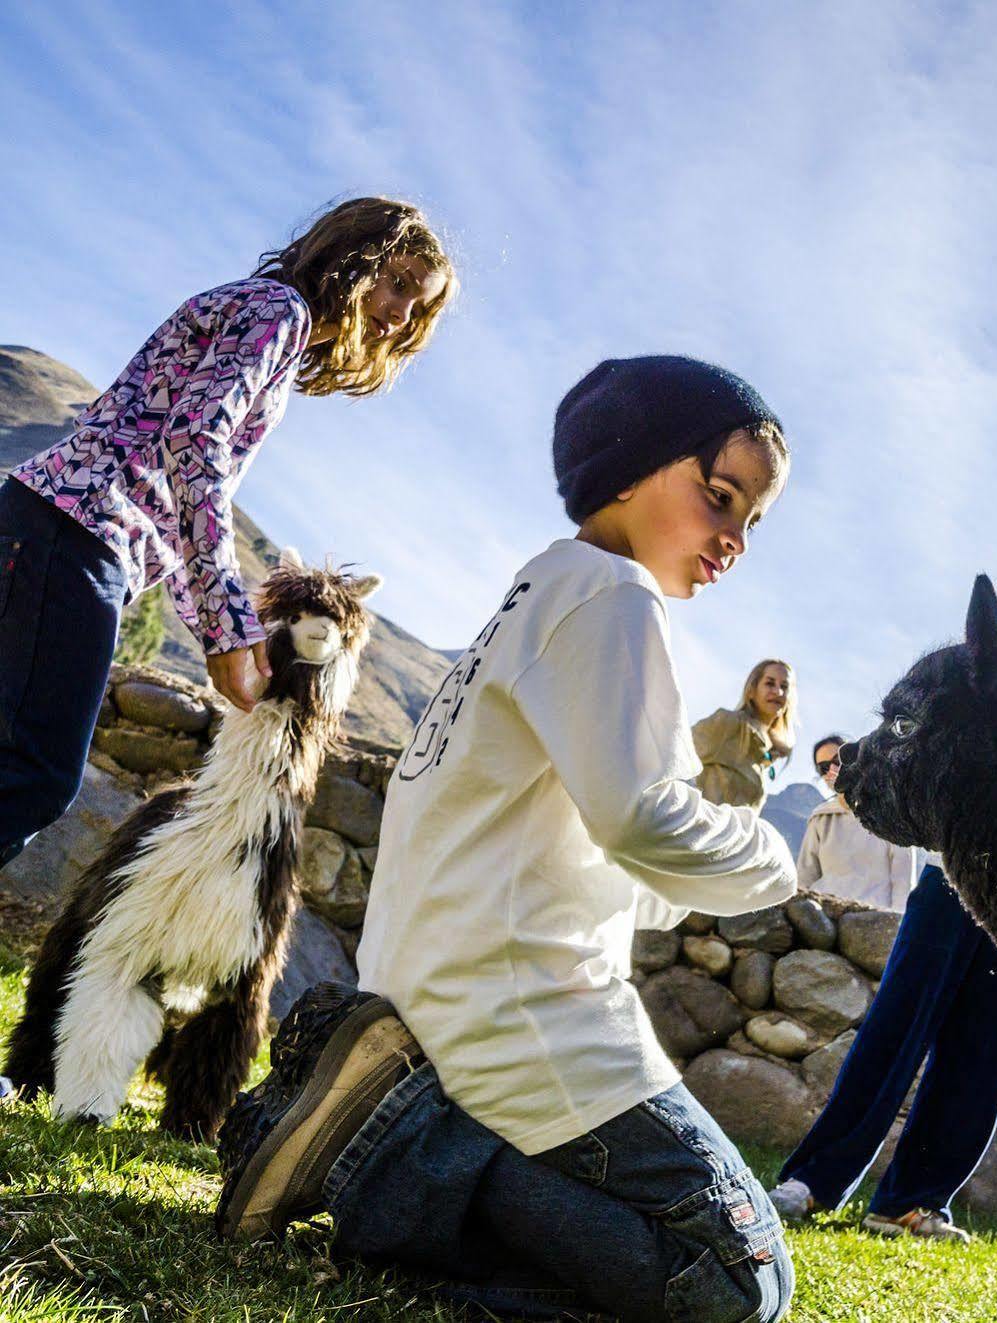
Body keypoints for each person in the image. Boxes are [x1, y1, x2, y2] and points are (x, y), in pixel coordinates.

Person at [214, 356, 800, 1322]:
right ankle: (391, 1148)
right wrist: (772, 859)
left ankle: (392, 1183)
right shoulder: (614, 599)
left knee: (652, 1258)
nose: (734, 536)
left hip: (433, 1005)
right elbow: (641, 820)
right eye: (720, 495)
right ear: (630, 466)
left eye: (752, 520)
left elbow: (617, 856)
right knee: (740, 1282)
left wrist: (674, 868)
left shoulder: (531, 603)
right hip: (523, 1019)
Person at [0, 196, 455, 868]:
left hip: (54, 527)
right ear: (354, 259)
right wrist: (223, 627)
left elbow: (172, 499)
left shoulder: (266, 313)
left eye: (418, 309)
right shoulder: (281, 313)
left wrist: (231, 633)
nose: (399, 316)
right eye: (398, 286)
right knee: (34, 777)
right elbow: (194, 444)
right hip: (74, 535)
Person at [769, 573, 997, 1240]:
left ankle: (911, 1200)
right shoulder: (978, 675)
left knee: (980, 1052)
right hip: (951, 881)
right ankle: (813, 1179)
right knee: (894, 1027)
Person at [795, 732, 921, 912]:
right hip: (826, 919)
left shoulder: (890, 813)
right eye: (823, 767)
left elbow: (903, 880)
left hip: (874, 919)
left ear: (854, 757)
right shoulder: (820, 818)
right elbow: (805, 878)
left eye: (837, 760)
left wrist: (897, 923)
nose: (832, 770)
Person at [693, 659, 796, 810]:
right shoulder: (728, 723)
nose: (778, 692)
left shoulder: (768, 753)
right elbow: (676, 750)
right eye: (769, 683)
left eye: (784, 686)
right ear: (752, 690)